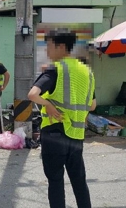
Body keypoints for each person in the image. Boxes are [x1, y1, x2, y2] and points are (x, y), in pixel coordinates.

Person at [27, 29, 96, 208]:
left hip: (54, 132)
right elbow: (93, 105)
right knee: (79, 181)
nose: (46, 51)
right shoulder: (87, 72)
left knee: (56, 182)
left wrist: (48, 105)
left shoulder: (56, 69)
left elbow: (33, 94)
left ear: (61, 46)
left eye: (49, 46)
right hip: (76, 135)